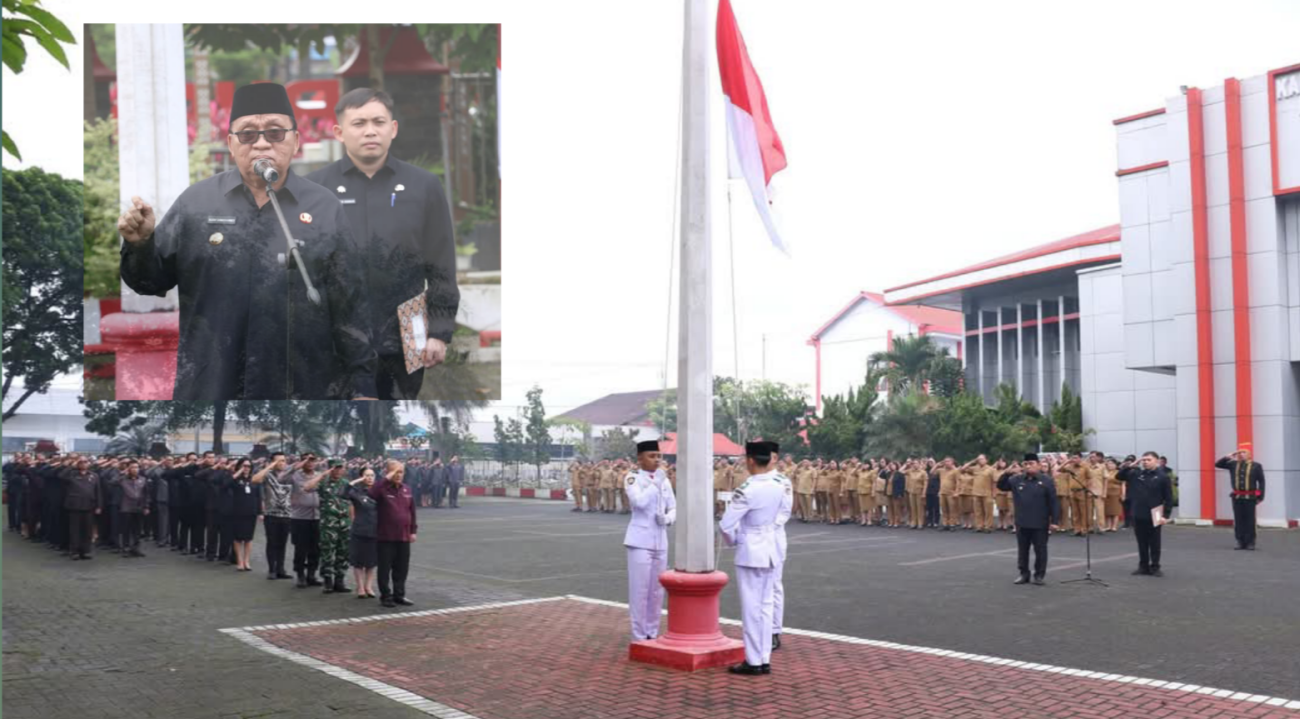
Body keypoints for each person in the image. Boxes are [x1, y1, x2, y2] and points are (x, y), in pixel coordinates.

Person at [117, 82, 378, 399]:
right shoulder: (196, 203)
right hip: (212, 381)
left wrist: (364, 387)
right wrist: (141, 243)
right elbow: (149, 282)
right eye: (248, 134)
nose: (262, 144)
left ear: (295, 140)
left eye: (275, 132)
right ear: (231, 143)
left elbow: (350, 305)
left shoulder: (324, 207)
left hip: (302, 385)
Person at [303, 88, 458, 399]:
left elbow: (441, 264)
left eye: (379, 122)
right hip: (336, 335)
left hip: (407, 330)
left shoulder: (424, 185)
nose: (370, 131)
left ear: (393, 128)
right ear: (339, 132)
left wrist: (439, 333)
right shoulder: (315, 189)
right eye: (359, 123)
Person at [720, 441, 785, 676]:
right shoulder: (780, 483)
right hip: (771, 547)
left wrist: (736, 541)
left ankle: (754, 661)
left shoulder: (748, 489)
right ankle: (763, 658)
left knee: (751, 609)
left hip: (751, 550)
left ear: (750, 460)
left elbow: (726, 525)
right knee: (766, 606)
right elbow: (783, 513)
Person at [623, 440, 676, 642]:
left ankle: (652, 633)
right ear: (640, 458)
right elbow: (639, 503)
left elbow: (673, 506)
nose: (656, 460)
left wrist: (669, 518)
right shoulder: (632, 478)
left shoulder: (664, 480)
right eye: (651, 456)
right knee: (640, 590)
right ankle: (639, 635)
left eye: (658, 456)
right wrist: (656, 483)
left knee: (656, 591)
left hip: (660, 539)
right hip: (639, 540)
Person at [998, 454, 1061, 585]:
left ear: (1038, 464)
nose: (1028, 466)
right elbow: (1001, 486)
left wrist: (1054, 521)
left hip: (1040, 522)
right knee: (1023, 550)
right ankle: (1024, 574)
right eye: (1025, 464)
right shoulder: (1016, 479)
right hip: (1022, 521)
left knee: (1040, 550)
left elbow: (1053, 502)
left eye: (1031, 463)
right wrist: (1006, 473)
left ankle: (1039, 575)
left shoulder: (1046, 480)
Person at [1117, 452, 1174, 577]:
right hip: (1138, 511)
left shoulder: (1163, 476)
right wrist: (1132, 465)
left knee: (1155, 541)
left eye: (1148, 460)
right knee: (1141, 542)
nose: (1145, 462)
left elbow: (1169, 498)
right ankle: (1143, 566)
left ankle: (1155, 567)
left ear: (1156, 461)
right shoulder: (1137, 474)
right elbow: (1119, 476)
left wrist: (1166, 515)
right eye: (1144, 460)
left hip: (1156, 512)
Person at [371, 459, 418, 607]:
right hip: (386, 536)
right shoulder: (382, 489)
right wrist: (386, 478)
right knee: (385, 568)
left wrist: (413, 531)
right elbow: (372, 493)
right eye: (395, 472)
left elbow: (412, 511)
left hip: (403, 536)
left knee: (401, 568)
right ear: (388, 473)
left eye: (401, 472)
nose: (398, 475)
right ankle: (386, 596)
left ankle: (399, 595)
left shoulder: (407, 489)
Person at [1215, 443, 1266, 550]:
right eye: (1239, 452)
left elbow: (1261, 482)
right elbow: (1218, 464)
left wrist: (1260, 496)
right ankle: (1240, 541)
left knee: (1250, 520)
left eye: (1244, 452)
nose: (1241, 454)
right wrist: (1227, 457)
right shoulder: (1233, 464)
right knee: (1239, 520)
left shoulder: (1256, 466)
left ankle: (1250, 542)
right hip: (1237, 497)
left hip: (1250, 497)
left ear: (1249, 454)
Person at [252, 453, 294, 580]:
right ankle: (272, 569)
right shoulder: (267, 475)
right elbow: (255, 479)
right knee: (272, 542)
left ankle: (281, 569)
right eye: (279, 461)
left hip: (287, 514)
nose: (282, 463)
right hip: (271, 514)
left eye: (284, 461)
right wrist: (270, 466)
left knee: (282, 543)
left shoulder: (289, 475)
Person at [286, 455, 325, 588]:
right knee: (301, 548)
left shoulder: (320, 475)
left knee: (316, 548)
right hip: (300, 518)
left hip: (317, 517)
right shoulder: (295, 475)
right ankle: (300, 574)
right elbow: (281, 477)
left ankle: (312, 574)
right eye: (307, 460)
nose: (310, 462)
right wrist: (294, 465)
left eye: (313, 460)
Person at [768, 442, 793, 651]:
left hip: (773, 538)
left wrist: (768, 527)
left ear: (775, 459)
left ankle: (774, 631)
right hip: (755, 542)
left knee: (775, 585)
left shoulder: (782, 481)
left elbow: (785, 512)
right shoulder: (752, 482)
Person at [317, 459, 353, 594]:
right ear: (330, 469)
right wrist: (322, 475)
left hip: (344, 523)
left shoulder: (346, 484)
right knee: (327, 551)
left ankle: (340, 580)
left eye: (340, 468)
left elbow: (351, 503)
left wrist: (351, 521)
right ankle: (327, 580)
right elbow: (307, 487)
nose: (338, 470)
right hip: (328, 524)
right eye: (335, 468)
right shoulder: (323, 483)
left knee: (344, 552)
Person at [348, 467, 381, 598]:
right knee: (358, 561)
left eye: (372, 475)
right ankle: (360, 587)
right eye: (366, 475)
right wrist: (356, 481)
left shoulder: (379, 491)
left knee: (371, 562)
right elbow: (342, 492)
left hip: (375, 530)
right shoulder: (357, 492)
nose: (370, 478)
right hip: (359, 530)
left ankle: (368, 586)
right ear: (361, 477)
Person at [226, 458, 261, 572]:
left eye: (248, 466)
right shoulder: (235, 478)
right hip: (237, 511)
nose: (246, 468)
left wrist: (260, 512)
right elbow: (226, 485)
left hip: (251, 511)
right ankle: (239, 561)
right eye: (244, 466)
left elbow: (258, 497)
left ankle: (246, 561)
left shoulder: (254, 479)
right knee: (237, 538)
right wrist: (238, 472)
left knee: (248, 538)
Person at [63, 458, 101, 561]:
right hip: (75, 506)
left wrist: (99, 506)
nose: (84, 464)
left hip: (89, 506)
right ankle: (74, 551)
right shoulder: (72, 474)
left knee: (87, 530)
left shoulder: (94, 475)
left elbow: (98, 491)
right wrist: (72, 465)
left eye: (85, 462)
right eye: (81, 462)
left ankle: (86, 551)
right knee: (75, 530)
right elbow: (61, 476)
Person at [115, 460, 150, 557]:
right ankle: (126, 548)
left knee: (137, 530)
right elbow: (112, 482)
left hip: (139, 507)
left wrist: (146, 506)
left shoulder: (143, 479)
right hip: (126, 507)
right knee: (126, 529)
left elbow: (146, 494)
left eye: (137, 467)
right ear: (128, 469)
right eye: (132, 467)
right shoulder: (122, 479)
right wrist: (122, 473)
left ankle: (136, 548)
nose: (135, 469)